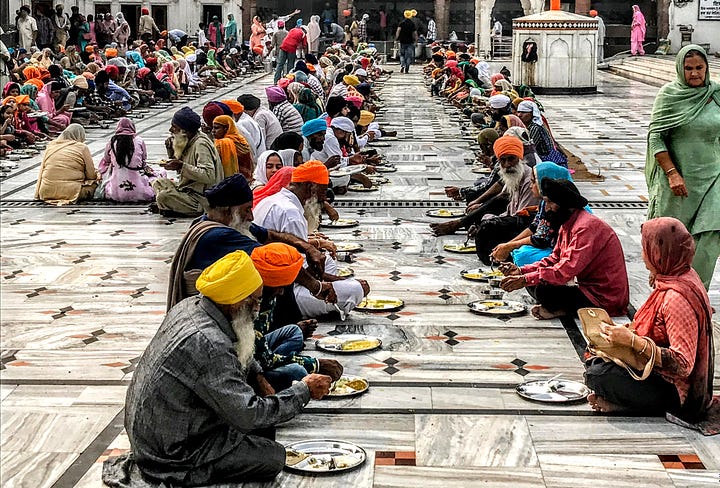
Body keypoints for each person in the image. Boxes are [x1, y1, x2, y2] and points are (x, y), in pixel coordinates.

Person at [112, 251, 333, 486]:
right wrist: (304, 391)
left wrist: (257, 374)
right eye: (256, 301)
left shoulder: (192, 306)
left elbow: (241, 346)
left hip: (156, 433)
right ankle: (190, 474)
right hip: (170, 453)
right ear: (237, 302)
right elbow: (249, 415)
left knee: (262, 427)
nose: (258, 309)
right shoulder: (209, 344)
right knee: (273, 457)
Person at [585, 217, 714, 422]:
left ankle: (627, 406)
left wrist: (632, 341)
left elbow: (683, 364)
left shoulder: (676, 298)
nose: (643, 255)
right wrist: (628, 332)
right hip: (655, 370)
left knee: (598, 375)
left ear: (659, 253)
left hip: (677, 390)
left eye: (646, 248)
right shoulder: (679, 276)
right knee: (597, 360)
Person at [166, 173, 330, 311]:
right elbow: (274, 262)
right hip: (209, 308)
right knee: (278, 279)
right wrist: (317, 287)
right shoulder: (218, 235)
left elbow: (270, 235)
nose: (251, 216)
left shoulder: (230, 222)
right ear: (227, 210)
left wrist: (307, 247)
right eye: (246, 209)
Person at [645, 45, 720, 290]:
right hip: (677, 182)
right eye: (689, 68)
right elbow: (656, 137)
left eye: (700, 68)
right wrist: (672, 173)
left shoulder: (716, 94)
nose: (695, 74)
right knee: (671, 240)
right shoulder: (669, 95)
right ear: (680, 69)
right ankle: (667, 292)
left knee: (709, 236)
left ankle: (695, 292)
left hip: (713, 178)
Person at [500, 178, 629, 319]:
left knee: (544, 290)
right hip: (585, 289)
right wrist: (521, 271)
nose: (546, 207)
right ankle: (561, 309)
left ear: (565, 204)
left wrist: (525, 279)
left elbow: (565, 270)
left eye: (550, 202)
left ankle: (564, 309)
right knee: (538, 283)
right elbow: (554, 259)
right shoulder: (566, 224)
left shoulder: (586, 227)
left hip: (604, 297)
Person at [253, 161, 369, 318]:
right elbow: (300, 273)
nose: (324, 197)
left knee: (326, 259)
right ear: (310, 187)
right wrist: (336, 282)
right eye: (322, 191)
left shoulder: (273, 200)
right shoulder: (290, 213)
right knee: (357, 289)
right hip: (282, 293)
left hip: (279, 278)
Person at [250, 243, 343, 391]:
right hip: (246, 366)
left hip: (257, 351)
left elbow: (259, 348)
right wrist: (315, 364)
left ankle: (278, 362)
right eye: (278, 287)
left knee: (294, 332)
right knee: (297, 371)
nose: (281, 292)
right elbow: (259, 359)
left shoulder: (269, 294)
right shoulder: (251, 302)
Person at [491, 161, 573, 266]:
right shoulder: (545, 202)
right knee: (520, 252)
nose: (530, 186)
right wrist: (507, 245)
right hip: (552, 246)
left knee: (523, 255)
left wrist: (509, 246)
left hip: (567, 252)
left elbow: (540, 239)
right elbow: (534, 227)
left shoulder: (562, 204)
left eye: (533, 182)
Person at [151, 107, 224, 216]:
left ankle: (181, 208)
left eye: (174, 127)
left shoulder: (201, 144)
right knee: (158, 182)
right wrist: (171, 151)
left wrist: (181, 166)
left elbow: (209, 175)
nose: (171, 130)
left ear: (185, 131)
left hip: (201, 198)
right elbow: (183, 167)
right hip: (188, 190)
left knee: (163, 197)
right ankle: (171, 206)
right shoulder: (189, 141)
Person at [98, 118, 161, 203]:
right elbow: (143, 158)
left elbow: (106, 159)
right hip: (140, 192)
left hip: (115, 193)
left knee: (106, 165)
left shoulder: (112, 142)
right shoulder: (139, 140)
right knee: (160, 173)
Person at [35, 124, 97, 205]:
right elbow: (91, 175)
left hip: (46, 192)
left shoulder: (51, 146)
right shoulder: (82, 147)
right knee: (95, 185)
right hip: (72, 192)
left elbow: (42, 171)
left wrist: (38, 193)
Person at [516, 100, 567, 166]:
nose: (519, 115)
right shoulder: (529, 126)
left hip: (546, 159)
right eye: (518, 112)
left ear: (532, 113)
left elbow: (530, 147)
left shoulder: (535, 127)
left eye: (523, 112)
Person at [212, 114, 253, 180]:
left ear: (226, 128)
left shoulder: (223, 144)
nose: (213, 131)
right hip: (247, 177)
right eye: (213, 128)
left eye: (216, 128)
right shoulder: (240, 139)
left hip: (235, 180)